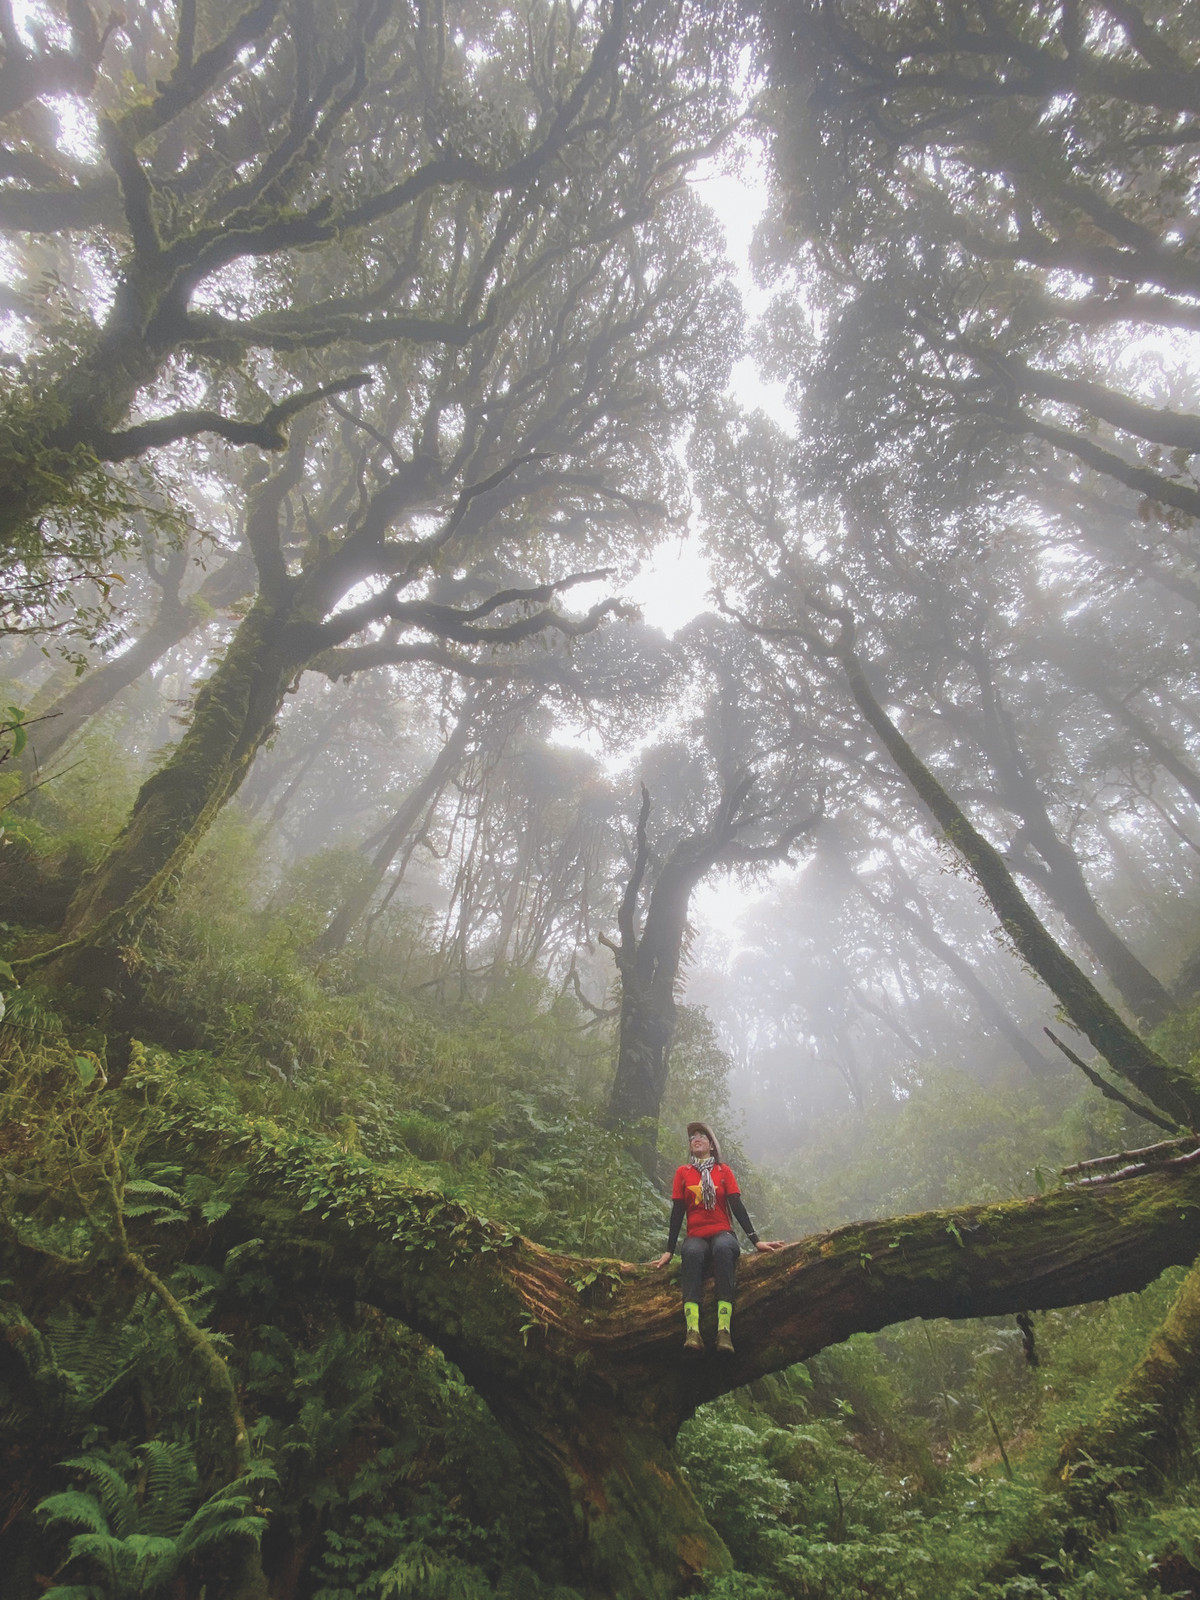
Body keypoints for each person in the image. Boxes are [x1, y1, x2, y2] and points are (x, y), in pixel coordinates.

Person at [652, 1122, 784, 1355]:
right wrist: (669, 1250)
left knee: (724, 1249)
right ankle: (692, 1331)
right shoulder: (683, 1173)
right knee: (691, 1254)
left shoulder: (723, 1171)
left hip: (723, 1231)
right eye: (692, 1137)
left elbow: (737, 1206)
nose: (696, 1138)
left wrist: (756, 1241)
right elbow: (677, 1212)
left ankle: (724, 1331)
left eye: (702, 1135)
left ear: (712, 1145)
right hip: (696, 1235)